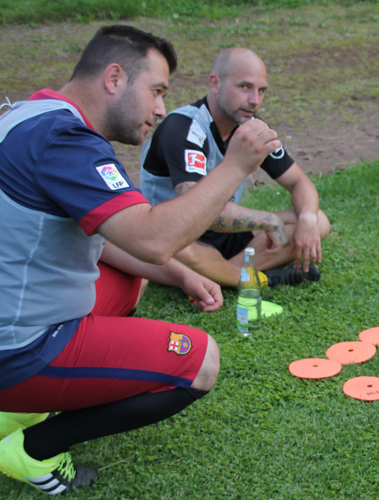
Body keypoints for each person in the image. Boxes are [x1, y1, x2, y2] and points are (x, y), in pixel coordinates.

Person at [0, 25, 282, 494]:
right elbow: (152, 239)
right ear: (114, 78)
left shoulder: (35, 113)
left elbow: (120, 240)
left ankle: (21, 403)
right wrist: (234, 165)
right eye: (156, 91)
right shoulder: (64, 141)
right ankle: (30, 449)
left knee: (134, 278)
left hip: (14, 313)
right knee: (200, 362)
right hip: (19, 349)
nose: (161, 108)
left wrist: (179, 274)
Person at [140, 47, 330, 288]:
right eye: (244, 87)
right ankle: (250, 277)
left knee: (318, 220)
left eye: (261, 91)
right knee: (182, 251)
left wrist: (308, 221)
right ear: (215, 83)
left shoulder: (251, 127)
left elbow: (298, 181)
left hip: (224, 235)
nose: (254, 100)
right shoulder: (182, 128)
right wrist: (268, 220)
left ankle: (225, 275)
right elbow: (198, 211)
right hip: (180, 238)